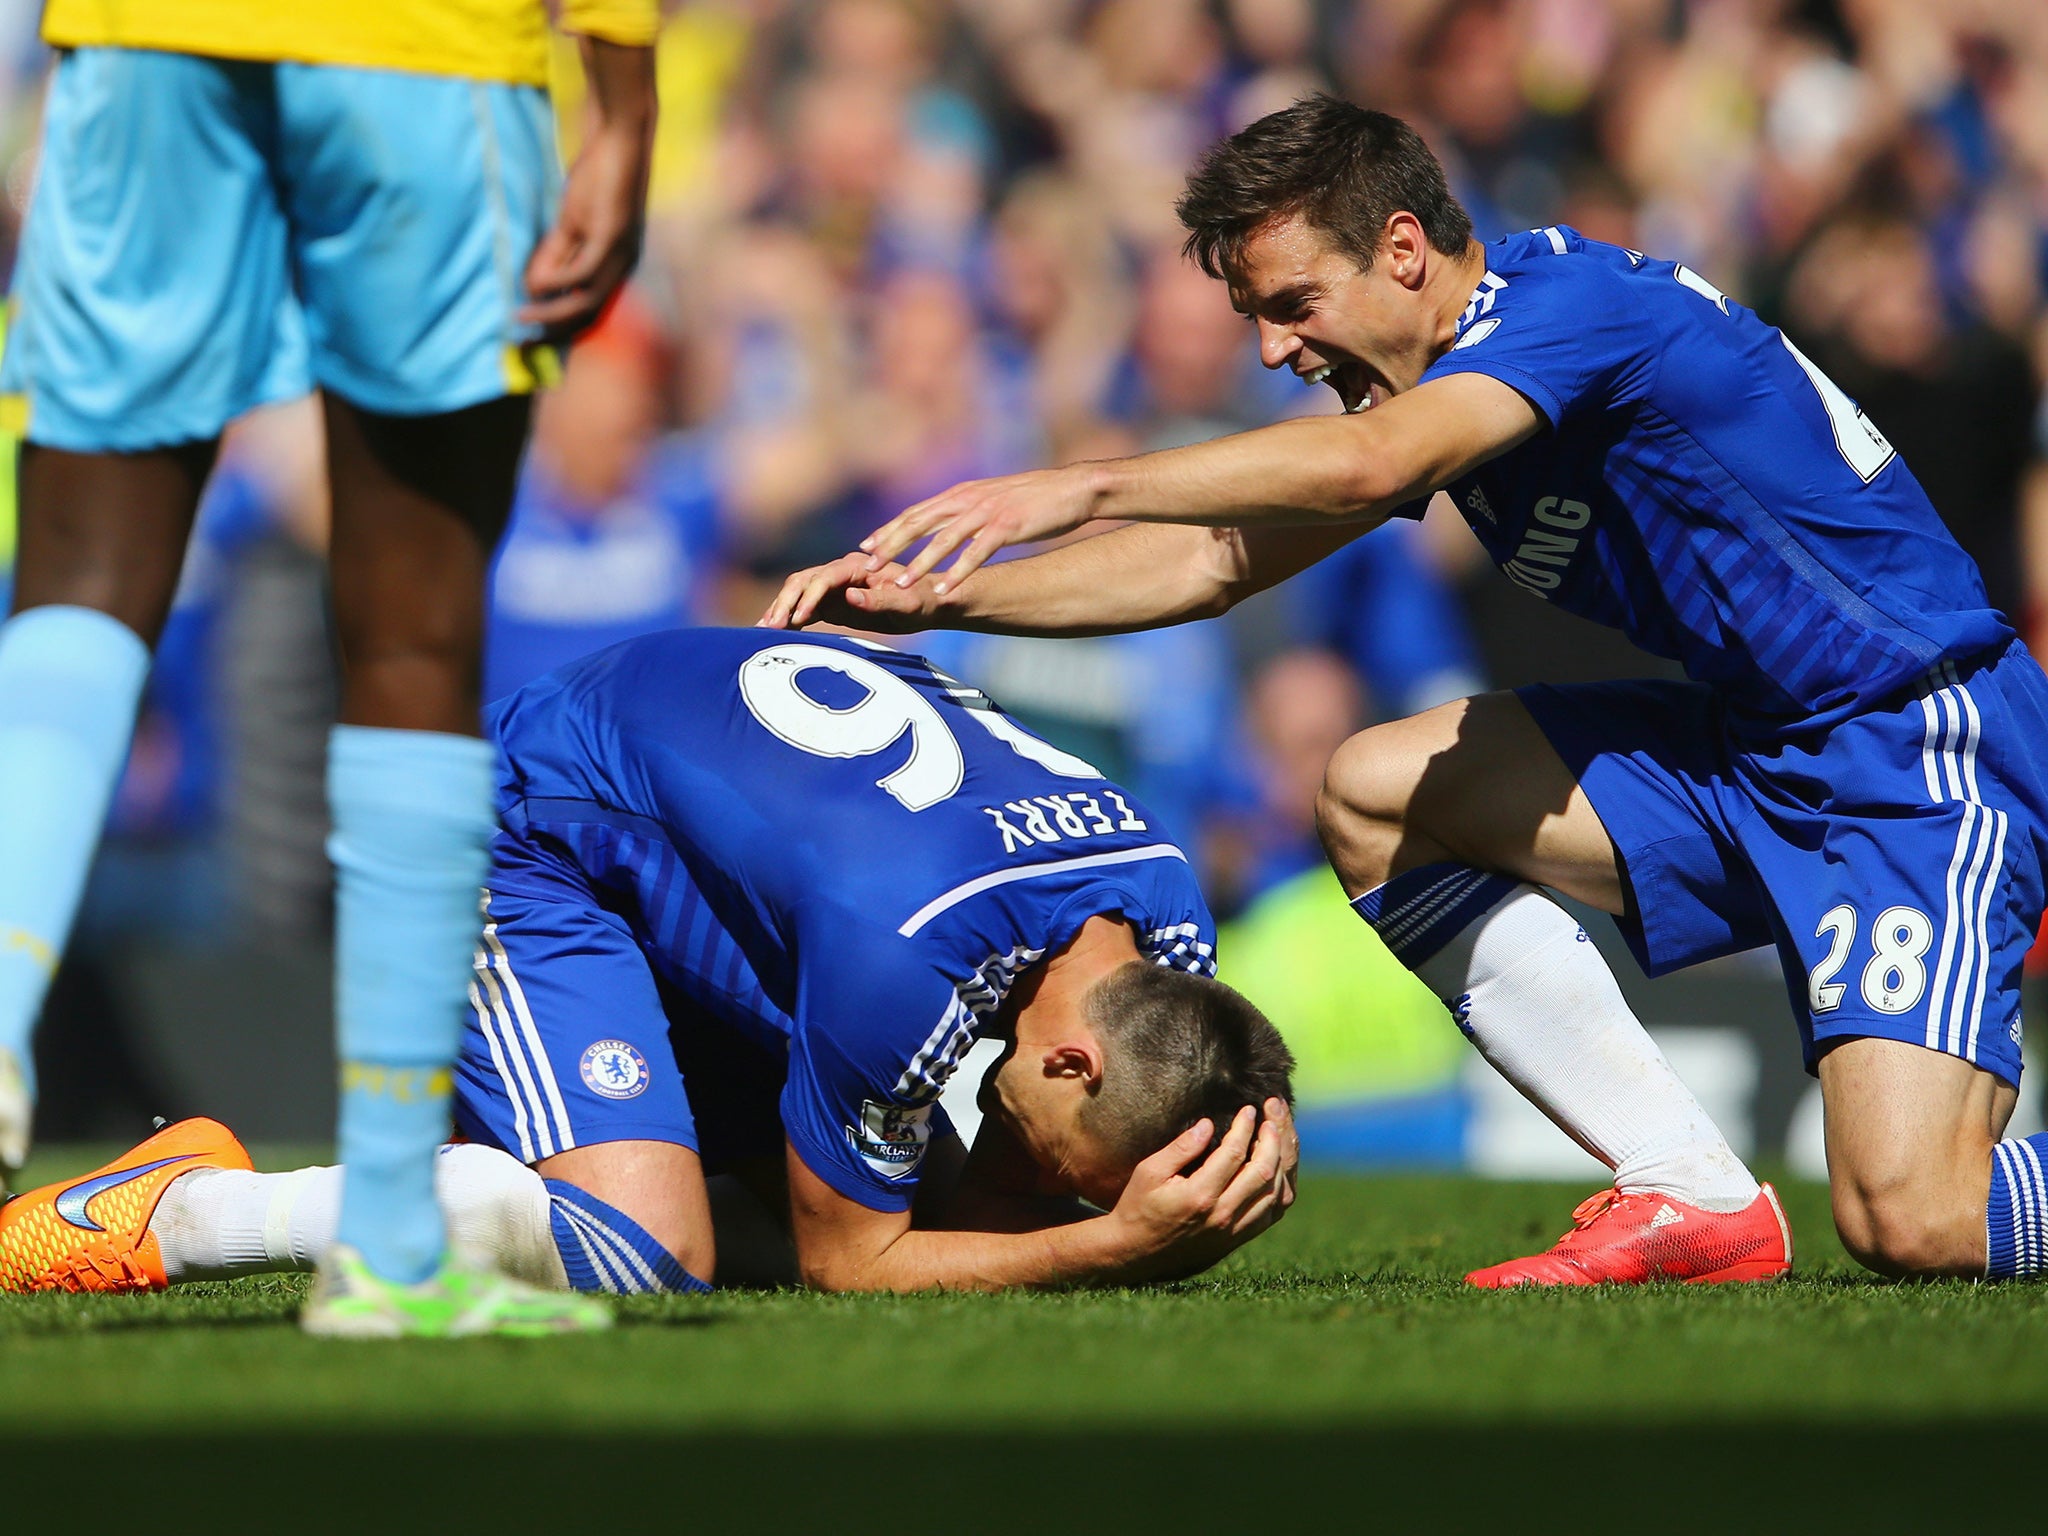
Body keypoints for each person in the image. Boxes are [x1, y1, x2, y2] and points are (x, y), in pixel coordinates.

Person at [765, 93, 2048, 1286]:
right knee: (1372, 791)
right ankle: (1686, 1190)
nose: (1273, 347)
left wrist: (1074, 483)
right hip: (1750, 746)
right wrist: (932, 599)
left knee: (1911, 1222)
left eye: (1291, 302)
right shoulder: (1449, 382)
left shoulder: (1570, 314)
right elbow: (1215, 560)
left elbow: (1363, 465)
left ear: (1399, 248)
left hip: (1909, 739)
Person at [0, 3, 658, 1334]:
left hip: (142, 40)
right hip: (418, 49)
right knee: (412, 622)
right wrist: (625, 95)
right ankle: (396, 1256)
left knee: (78, 567)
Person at [0, 628, 1297, 1299]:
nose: (1048, 1192)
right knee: (648, 1250)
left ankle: (523, 1179)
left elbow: (1178, 1069)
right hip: (517, 824)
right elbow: (858, 1266)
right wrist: (1104, 1250)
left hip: (700, 849)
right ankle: (176, 1209)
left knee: (903, 1223)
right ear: (1069, 1055)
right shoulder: (909, 961)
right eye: (1066, 1163)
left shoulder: (1165, 914)